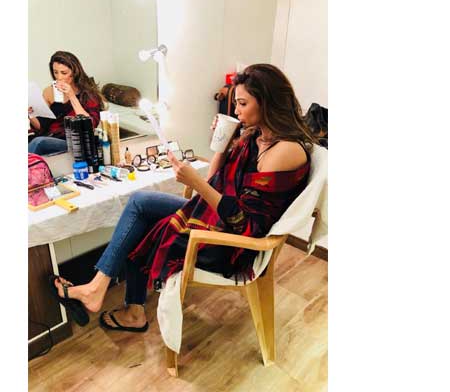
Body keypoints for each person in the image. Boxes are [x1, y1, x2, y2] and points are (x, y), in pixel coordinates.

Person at [50, 63, 319, 331]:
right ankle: (101, 290)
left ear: (267, 102)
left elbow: (244, 223)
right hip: (218, 217)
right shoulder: (258, 136)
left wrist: (194, 182)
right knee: (140, 202)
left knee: (142, 227)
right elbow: (214, 181)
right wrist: (222, 143)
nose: (236, 111)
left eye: (242, 103)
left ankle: (124, 305)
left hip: (232, 245)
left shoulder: (284, 151)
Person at [28, 51, 104, 155]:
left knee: (39, 142)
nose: (59, 77)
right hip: (49, 138)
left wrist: (72, 96)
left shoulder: (89, 94)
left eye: (64, 73)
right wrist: (30, 115)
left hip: (73, 141)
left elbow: (89, 125)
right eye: (55, 72)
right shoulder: (49, 92)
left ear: (75, 72)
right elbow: (40, 127)